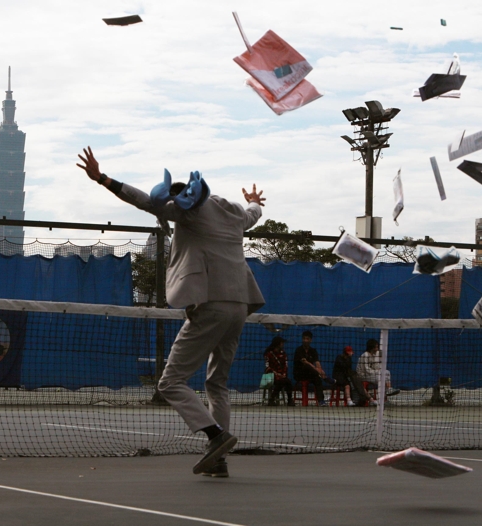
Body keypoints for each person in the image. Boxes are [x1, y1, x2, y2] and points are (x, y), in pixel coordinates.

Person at [77, 147, 266, 478]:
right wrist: (253, 199)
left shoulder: (188, 212)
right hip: (241, 305)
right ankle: (218, 458)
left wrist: (103, 179)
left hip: (211, 304)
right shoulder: (232, 212)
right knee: (216, 382)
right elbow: (253, 214)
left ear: (180, 200)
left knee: (170, 382)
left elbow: (144, 201)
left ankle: (215, 435)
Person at [293, 330, 327, 406]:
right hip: (300, 374)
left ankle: (321, 400)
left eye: (307, 339)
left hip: (311, 374)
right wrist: (318, 371)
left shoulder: (313, 351)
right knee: (307, 366)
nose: (305, 340)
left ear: (310, 340)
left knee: (318, 380)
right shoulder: (299, 350)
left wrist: (320, 369)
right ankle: (326, 378)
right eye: (304, 338)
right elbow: (306, 362)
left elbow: (317, 362)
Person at [264, 336, 294, 406]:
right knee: (282, 381)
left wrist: (283, 374)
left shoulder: (283, 354)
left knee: (287, 381)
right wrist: (276, 374)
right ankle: (272, 399)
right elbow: (267, 367)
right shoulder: (269, 354)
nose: (283, 344)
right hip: (271, 376)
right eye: (282, 343)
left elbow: (285, 366)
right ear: (278, 344)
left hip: (281, 376)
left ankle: (289, 400)